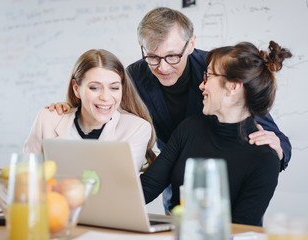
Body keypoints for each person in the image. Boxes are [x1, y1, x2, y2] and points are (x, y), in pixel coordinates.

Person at [47, 7, 291, 212]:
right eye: (152, 56)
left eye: (172, 56)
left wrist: (278, 150)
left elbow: (254, 115)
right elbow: (103, 105)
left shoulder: (216, 70)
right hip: (174, 167)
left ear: (191, 44)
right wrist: (71, 107)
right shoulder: (135, 76)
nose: (162, 67)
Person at [141, 40, 293, 226]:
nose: (201, 86)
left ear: (233, 86)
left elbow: (240, 228)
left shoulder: (264, 157)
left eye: (209, 76)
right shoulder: (189, 129)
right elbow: (147, 188)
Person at [24, 49, 156, 172]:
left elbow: (121, 188)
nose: (105, 97)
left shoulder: (137, 128)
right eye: (94, 88)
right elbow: (24, 179)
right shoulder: (47, 119)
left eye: (114, 88)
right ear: (76, 89)